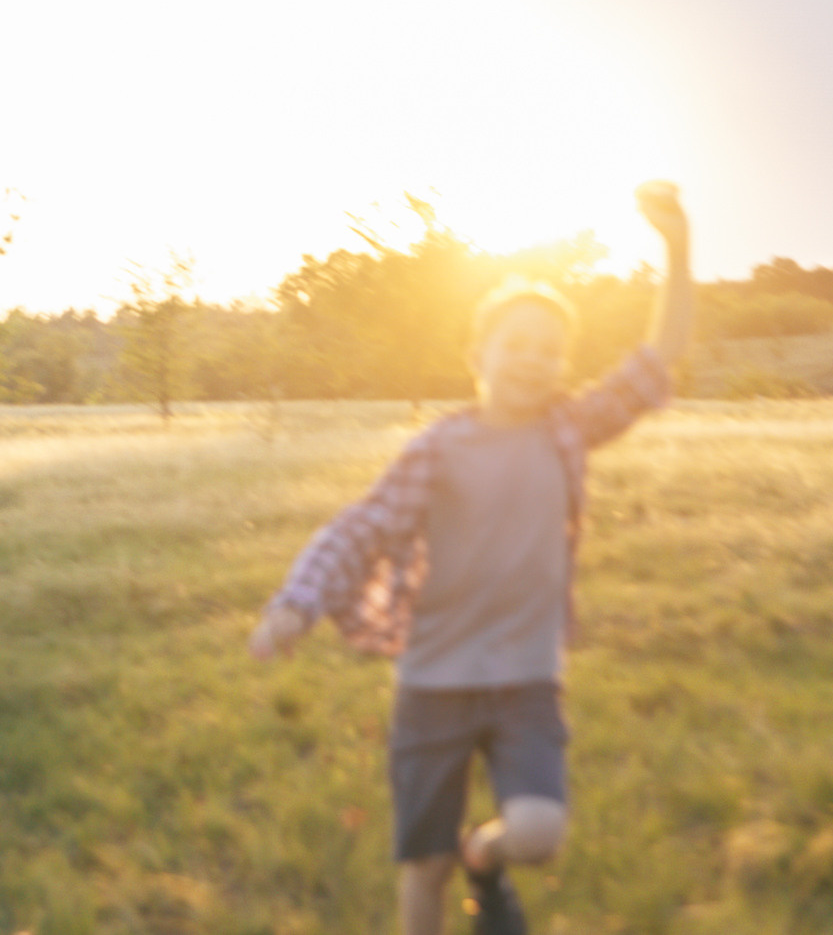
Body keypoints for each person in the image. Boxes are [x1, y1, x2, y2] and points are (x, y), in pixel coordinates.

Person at [249, 184, 693, 935]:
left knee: (539, 833)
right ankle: (454, 873)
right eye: (515, 344)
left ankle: (484, 859)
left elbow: (658, 359)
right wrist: (298, 602)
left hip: (527, 679)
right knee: (424, 866)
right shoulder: (440, 448)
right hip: (435, 682)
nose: (533, 359)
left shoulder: (567, 428)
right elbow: (363, 527)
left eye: (549, 349)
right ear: (476, 356)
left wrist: (677, 247)